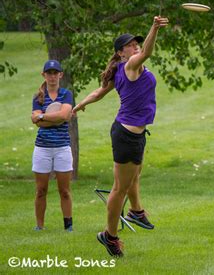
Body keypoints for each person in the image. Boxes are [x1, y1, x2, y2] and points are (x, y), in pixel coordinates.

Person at [73, 16, 169, 257]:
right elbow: (147, 52)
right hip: (127, 135)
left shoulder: (118, 71)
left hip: (134, 133)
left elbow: (100, 91)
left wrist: (81, 103)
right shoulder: (130, 66)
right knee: (119, 189)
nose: (135, 45)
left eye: (136, 43)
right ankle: (110, 235)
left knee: (134, 176)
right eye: (130, 44)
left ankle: (136, 211)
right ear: (121, 53)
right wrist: (154, 28)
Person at [31, 60, 74, 232]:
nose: (52, 76)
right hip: (42, 148)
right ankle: (39, 226)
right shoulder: (38, 97)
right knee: (41, 190)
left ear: (60, 75)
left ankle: (68, 226)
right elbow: (35, 120)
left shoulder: (66, 94)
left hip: (62, 147)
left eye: (55, 73)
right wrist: (55, 118)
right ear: (44, 75)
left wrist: (43, 117)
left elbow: (64, 114)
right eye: (49, 73)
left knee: (64, 190)